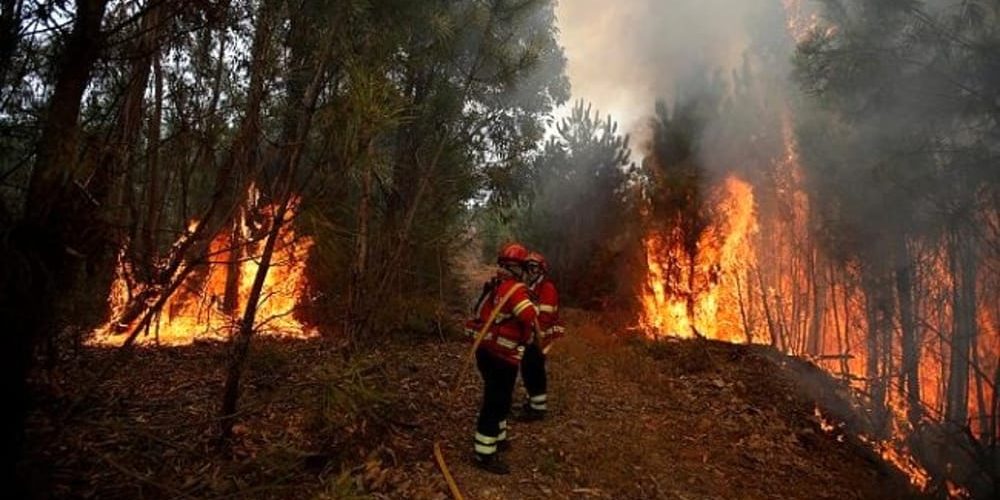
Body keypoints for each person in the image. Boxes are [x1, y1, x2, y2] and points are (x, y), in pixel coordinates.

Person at [464, 242, 539, 475]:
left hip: (487, 352)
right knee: (496, 400)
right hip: (500, 354)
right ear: (518, 268)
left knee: (502, 397)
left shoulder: (496, 284)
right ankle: (484, 454)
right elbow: (528, 315)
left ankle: (498, 437)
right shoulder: (515, 289)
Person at [517, 251, 563, 421]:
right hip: (533, 337)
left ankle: (538, 409)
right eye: (528, 267)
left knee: (534, 370)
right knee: (528, 369)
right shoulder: (532, 287)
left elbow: (544, 315)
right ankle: (533, 401)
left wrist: (537, 339)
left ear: (541, 269)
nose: (530, 271)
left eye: (534, 267)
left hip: (541, 337)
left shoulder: (546, 287)